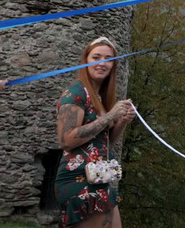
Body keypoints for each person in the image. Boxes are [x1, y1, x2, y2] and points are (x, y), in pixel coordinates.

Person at [55, 37, 135, 228]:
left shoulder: (99, 95)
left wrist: (121, 121)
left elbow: (106, 141)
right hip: (79, 182)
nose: (102, 63)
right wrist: (109, 117)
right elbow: (66, 140)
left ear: (113, 65)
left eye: (107, 59)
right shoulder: (76, 93)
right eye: (96, 57)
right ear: (86, 61)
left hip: (100, 179)